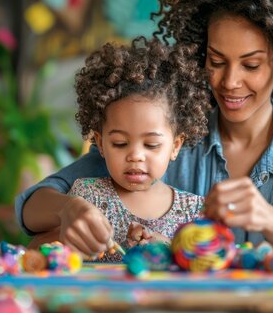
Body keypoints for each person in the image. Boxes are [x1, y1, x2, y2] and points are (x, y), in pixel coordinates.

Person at [16, 0, 273, 256]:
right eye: (216, 61)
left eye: (251, 65)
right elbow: (33, 206)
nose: (230, 82)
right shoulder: (162, 135)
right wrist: (68, 210)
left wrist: (271, 219)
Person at [27, 37, 210, 261]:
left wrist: (168, 249)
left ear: (176, 146)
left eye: (151, 145)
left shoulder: (194, 211)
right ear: (101, 143)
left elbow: (209, 268)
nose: (135, 155)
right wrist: (66, 246)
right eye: (120, 144)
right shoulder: (86, 197)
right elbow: (35, 250)